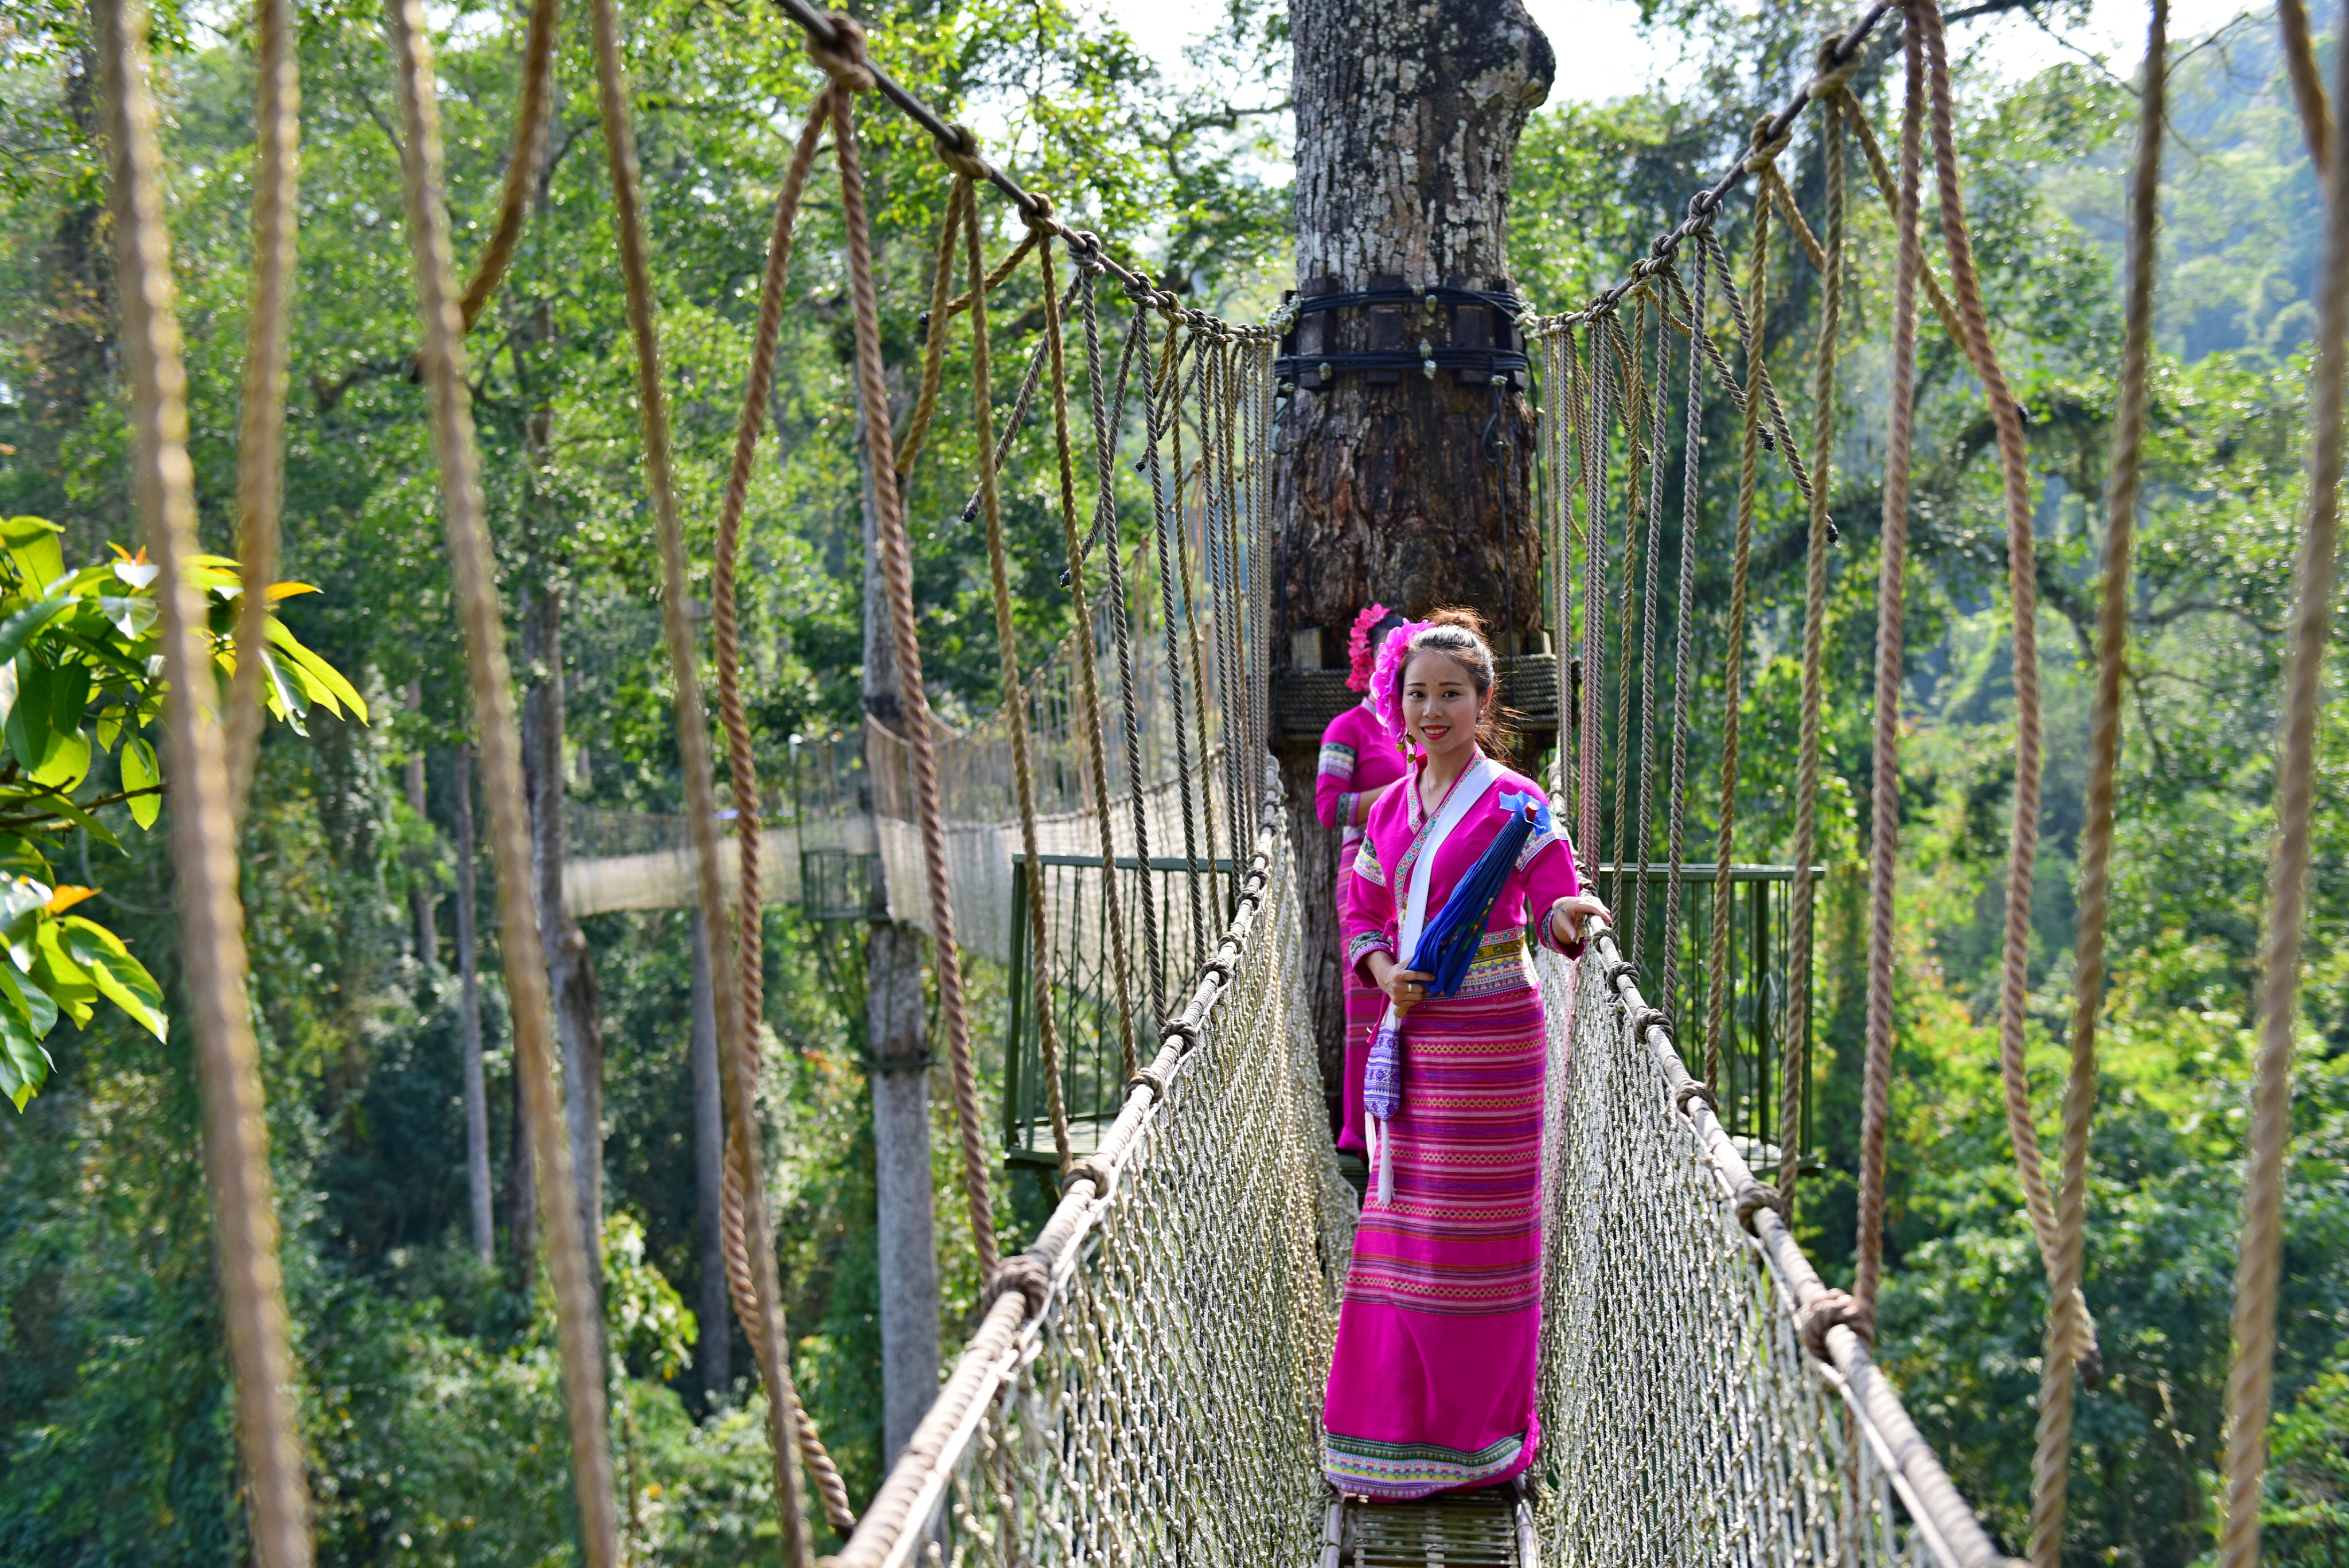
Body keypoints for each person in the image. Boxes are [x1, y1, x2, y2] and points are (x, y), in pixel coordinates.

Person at [1321, 608, 1606, 1501]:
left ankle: (1480, 1445)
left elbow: (1555, 895)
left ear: (1483, 703)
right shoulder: (1396, 808)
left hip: (1495, 1045)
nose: (1433, 709)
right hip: (1413, 1041)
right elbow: (1362, 903)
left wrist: (1571, 920)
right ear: (1397, 704)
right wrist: (1376, 965)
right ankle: (1394, 1439)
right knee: (1405, 1233)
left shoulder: (1520, 802)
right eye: (1418, 694)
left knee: (1482, 1248)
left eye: (1452, 693)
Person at [1316, 604, 1412, 1156]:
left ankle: (1403, 1128)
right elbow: (1330, 809)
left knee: (1413, 992)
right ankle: (1359, 1132)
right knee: (1367, 994)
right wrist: (1401, 791)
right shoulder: (1346, 728)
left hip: (1424, 869)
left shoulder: (1424, 720)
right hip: (1365, 870)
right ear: (1368, 658)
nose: (1393, 661)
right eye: (1385, 651)